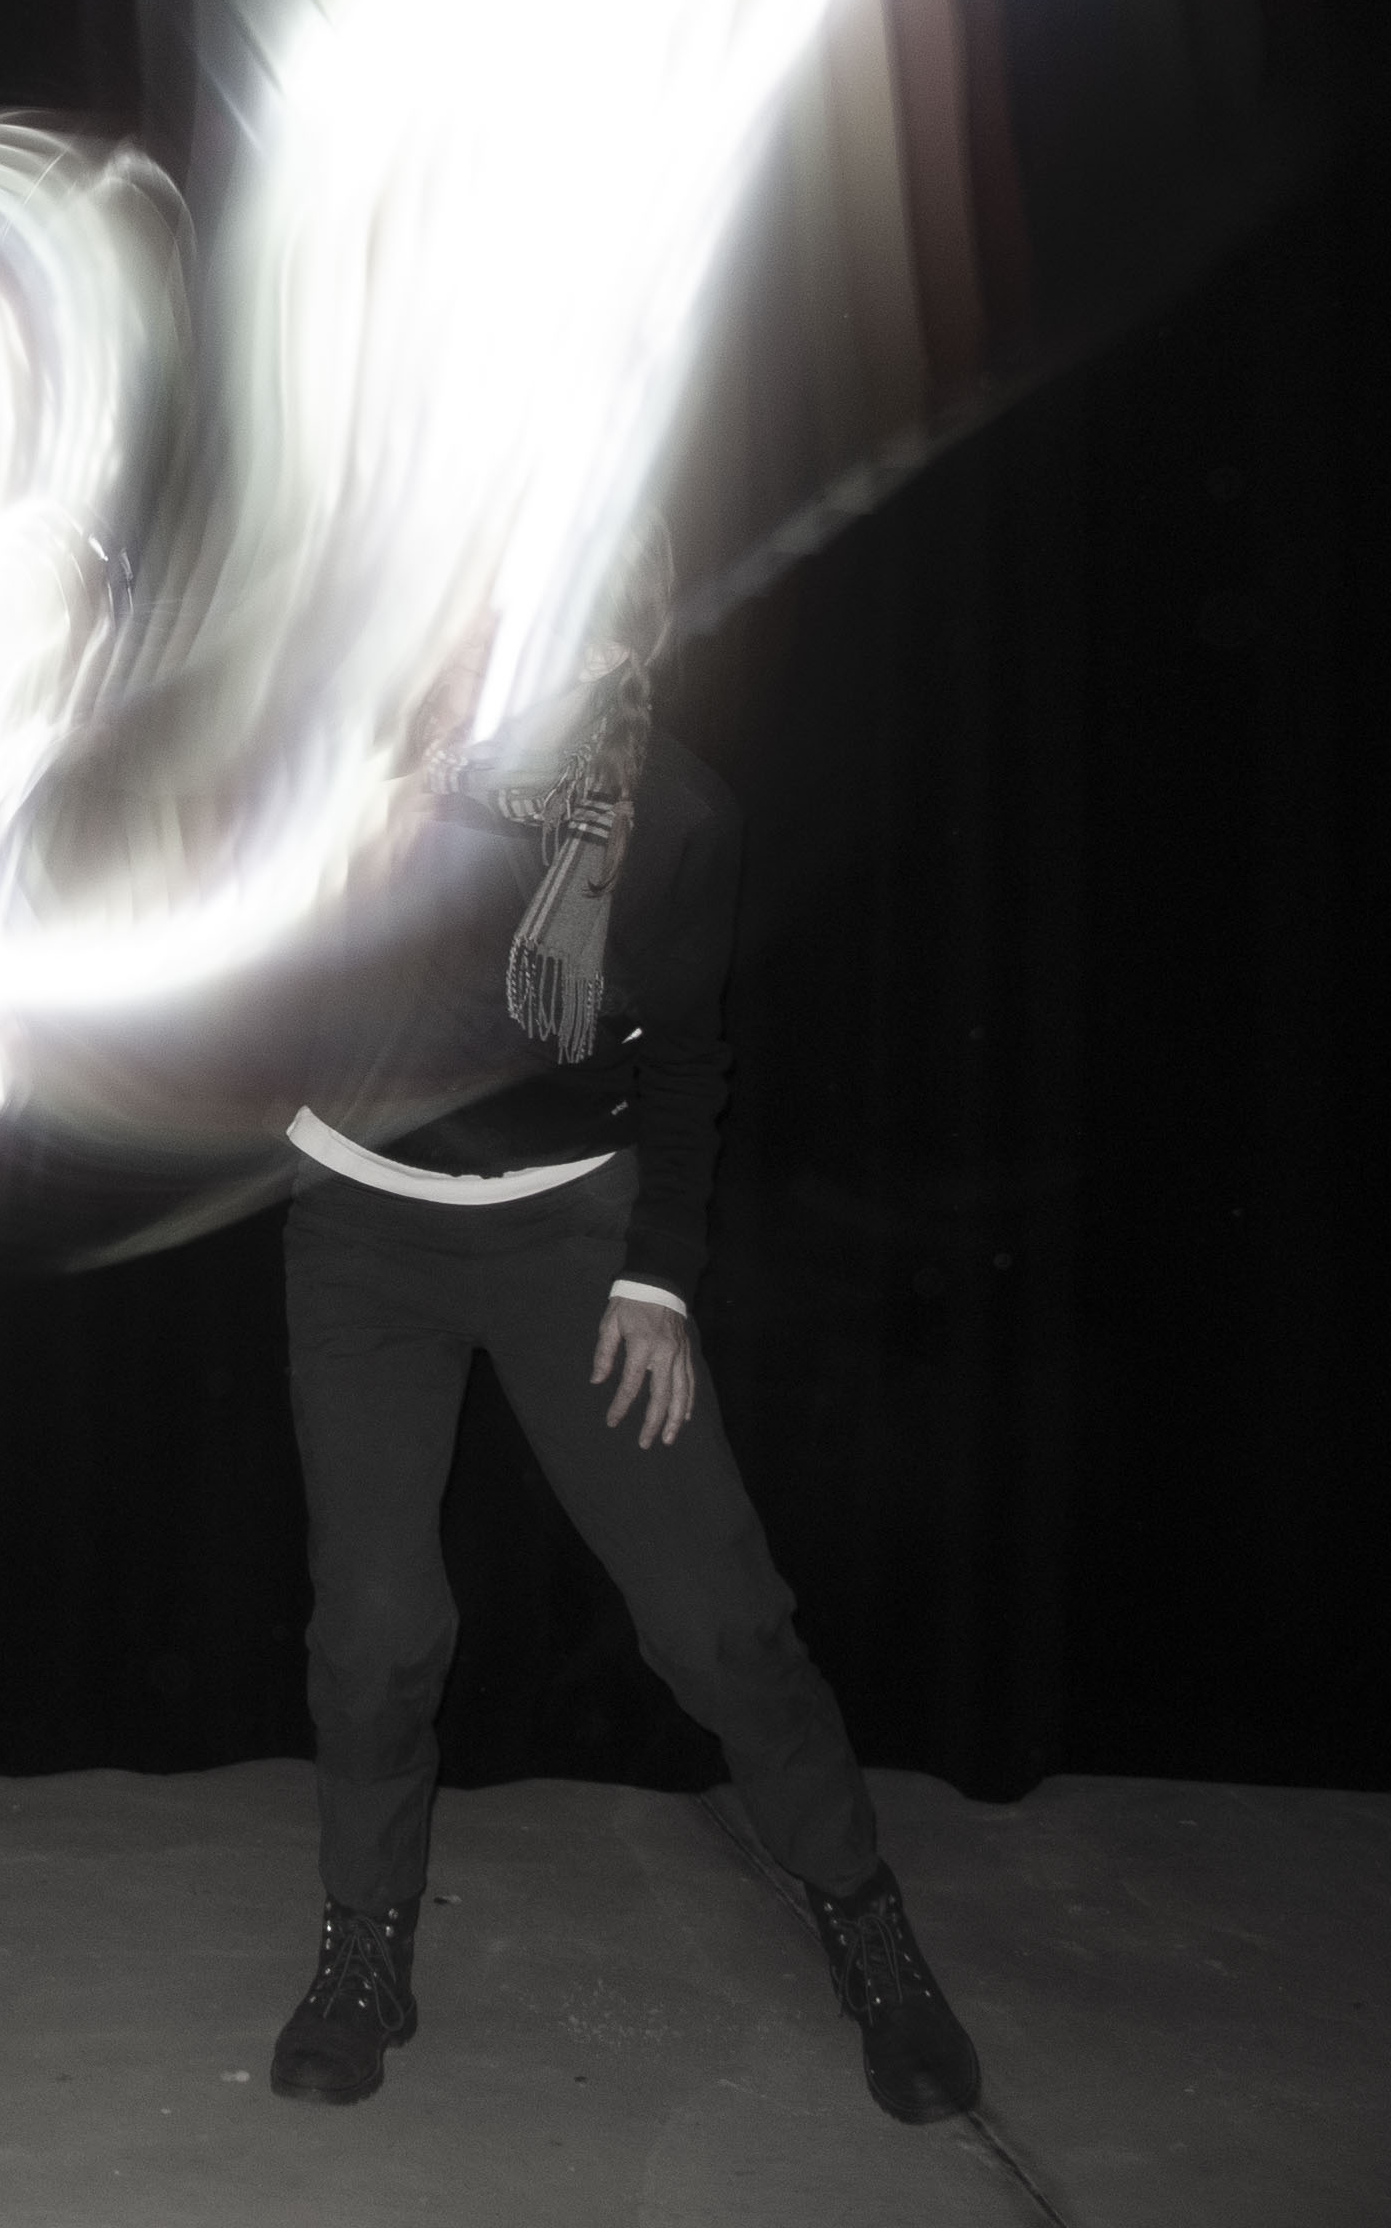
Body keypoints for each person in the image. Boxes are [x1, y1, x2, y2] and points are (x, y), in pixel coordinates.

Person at [265, 516, 982, 2128]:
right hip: (362, 1235)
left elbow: (688, 1063)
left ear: (616, 647)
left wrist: (656, 1279)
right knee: (376, 1630)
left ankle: (867, 1926)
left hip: (569, 1241)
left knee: (718, 1617)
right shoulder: (363, 760)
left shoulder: (676, 823)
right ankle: (366, 1949)